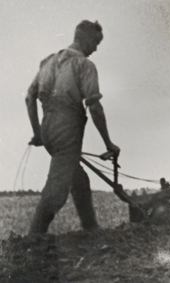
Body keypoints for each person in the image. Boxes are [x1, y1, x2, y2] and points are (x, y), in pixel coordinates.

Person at [25, 20, 120, 235]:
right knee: (56, 191)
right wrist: (108, 143)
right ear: (85, 38)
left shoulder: (47, 62)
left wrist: (38, 133)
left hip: (48, 127)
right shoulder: (84, 66)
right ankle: (32, 241)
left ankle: (91, 229)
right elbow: (94, 107)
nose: (96, 48)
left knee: (78, 178)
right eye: (95, 42)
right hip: (68, 130)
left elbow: (29, 98)